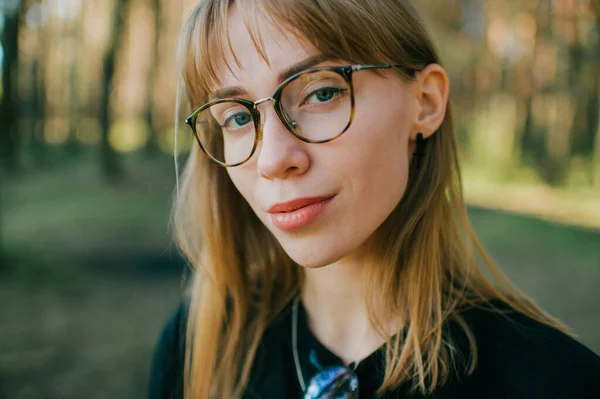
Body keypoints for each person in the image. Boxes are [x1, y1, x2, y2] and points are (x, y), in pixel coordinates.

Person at [148, 1, 600, 398]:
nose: (272, 159)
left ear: (424, 103)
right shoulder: (197, 348)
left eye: (322, 93)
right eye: (236, 117)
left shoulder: (557, 380)